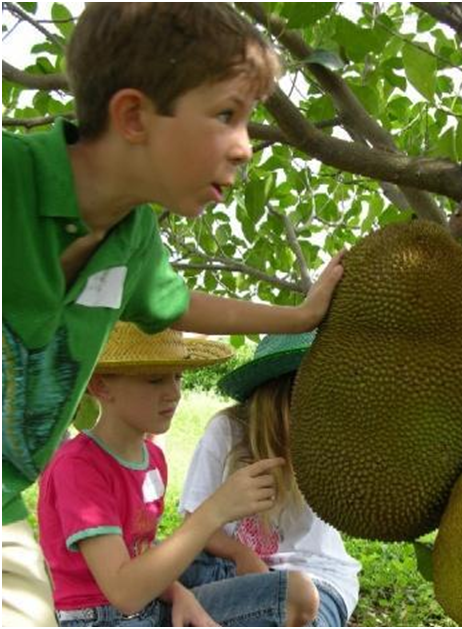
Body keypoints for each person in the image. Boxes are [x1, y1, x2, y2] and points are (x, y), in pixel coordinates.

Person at [2, 4, 343, 625]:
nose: (244, 148)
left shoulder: (132, 238)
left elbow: (180, 303)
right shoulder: (11, 180)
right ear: (133, 116)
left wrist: (299, 318)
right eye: (224, 115)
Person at [37, 322, 320, 627]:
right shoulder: (79, 467)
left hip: (150, 603)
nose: (173, 393)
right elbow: (124, 592)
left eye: (177, 377)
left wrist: (179, 594)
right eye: (155, 379)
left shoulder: (153, 458)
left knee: (298, 593)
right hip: (102, 618)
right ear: (101, 386)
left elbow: (140, 551)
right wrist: (215, 510)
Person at [179, 333, 361, 627]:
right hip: (226, 565)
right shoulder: (227, 430)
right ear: (277, 397)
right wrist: (241, 554)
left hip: (313, 576)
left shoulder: (330, 441)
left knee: (295, 599)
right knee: (152, 569)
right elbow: (194, 523)